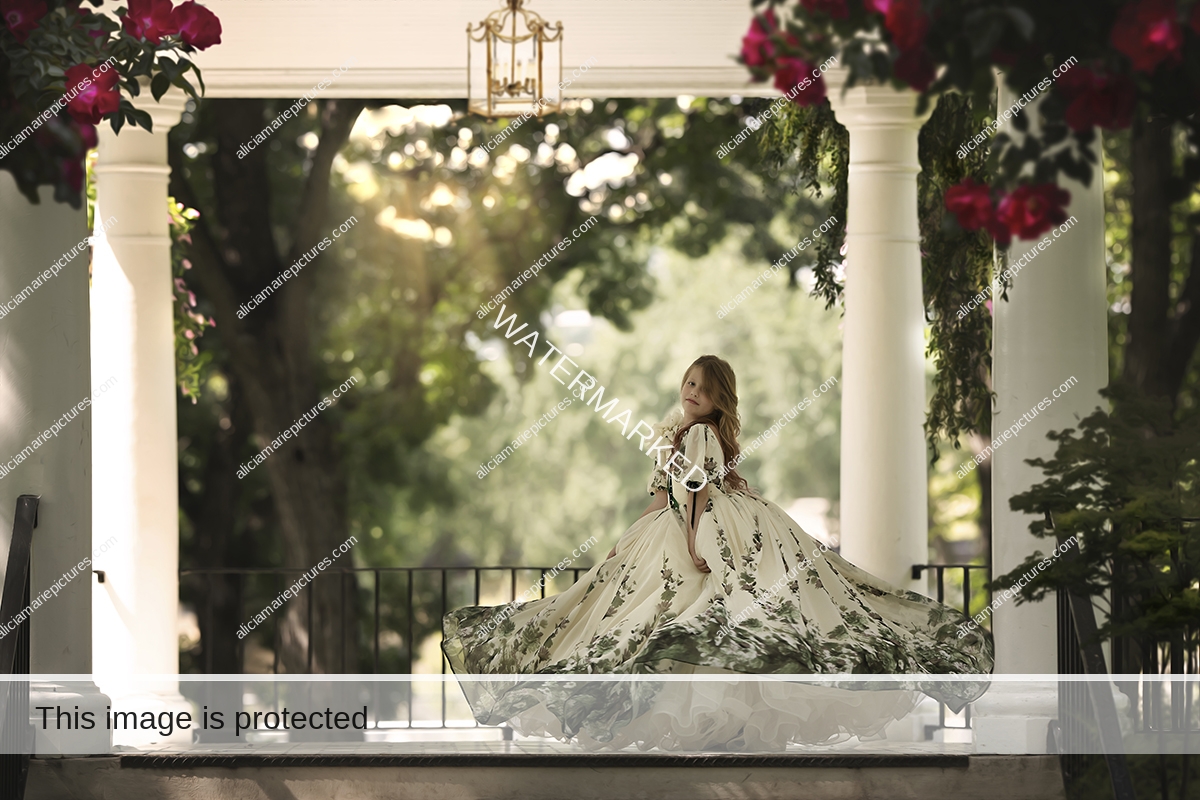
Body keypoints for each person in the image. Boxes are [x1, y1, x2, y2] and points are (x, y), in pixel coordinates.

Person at [443, 355, 993, 751]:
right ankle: (726, 723)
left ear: (717, 398)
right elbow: (663, 495)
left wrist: (689, 536)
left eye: (701, 388)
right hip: (680, 523)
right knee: (714, 613)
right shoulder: (680, 436)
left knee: (681, 613)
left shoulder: (696, 435)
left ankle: (713, 724)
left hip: (699, 526)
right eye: (687, 383)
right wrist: (624, 543)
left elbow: (698, 491)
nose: (691, 393)